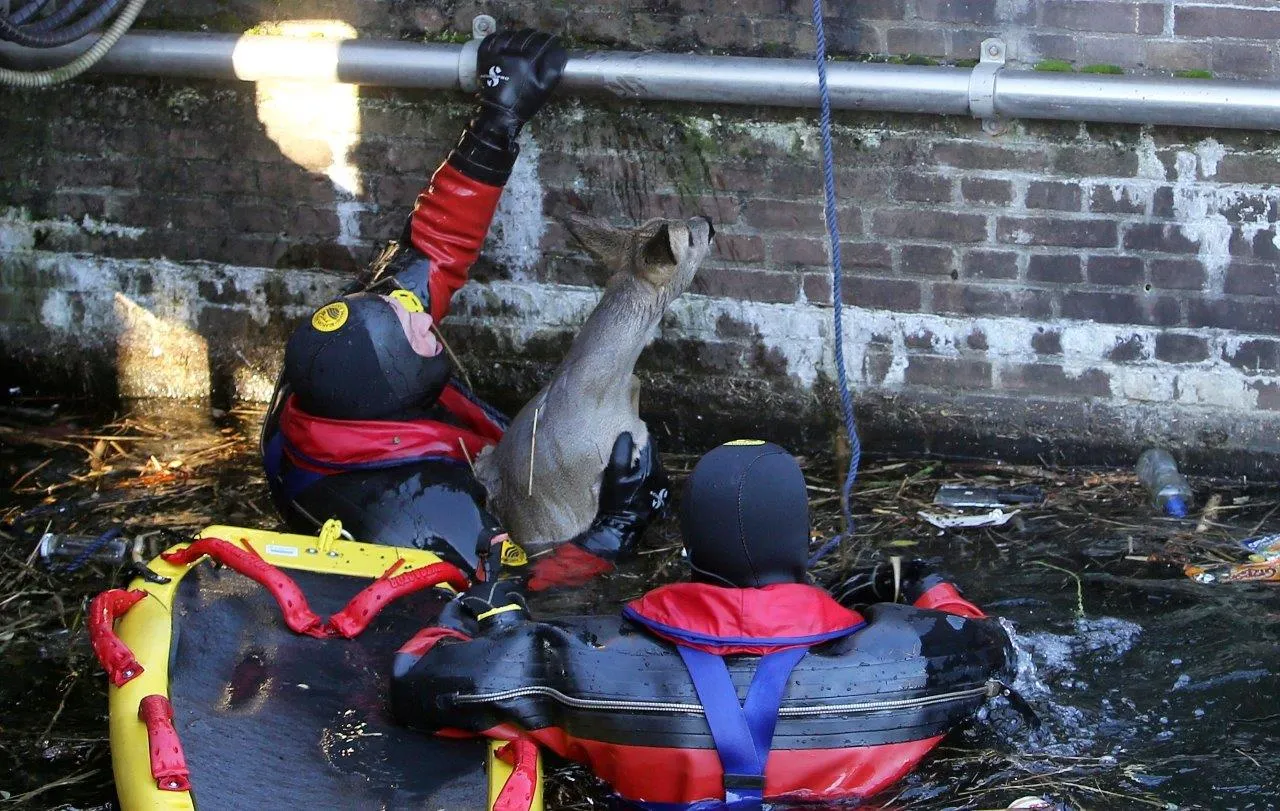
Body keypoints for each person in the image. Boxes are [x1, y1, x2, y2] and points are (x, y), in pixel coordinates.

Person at [391, 439, 1017, 809]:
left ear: (688, 549)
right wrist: (914, 580)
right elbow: (995, 650)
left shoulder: (571, 659)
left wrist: (485, 610)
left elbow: (418, 680)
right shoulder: (917, 661)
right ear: (804, 542)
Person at [259, 29, 667, 586]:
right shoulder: (429, 510)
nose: (427, 314)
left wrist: (497, 120)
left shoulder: (335, 382)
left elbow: (430, 251)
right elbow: (525, 595)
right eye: (415, 326)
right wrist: (621, 524)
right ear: (394, 382)